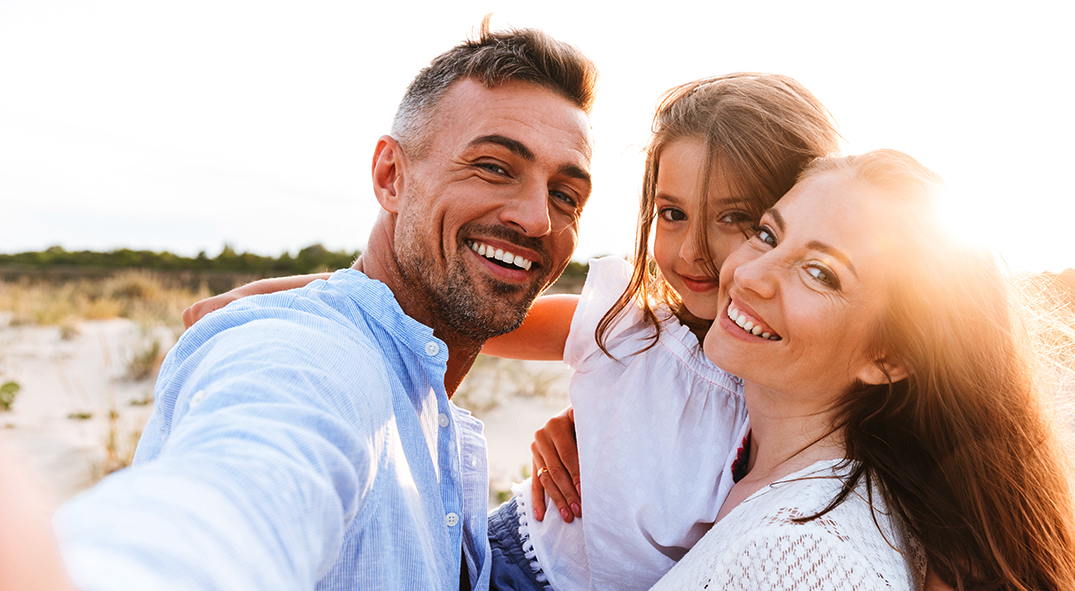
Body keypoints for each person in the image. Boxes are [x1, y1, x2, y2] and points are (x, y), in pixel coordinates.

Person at [184, 73, 841, 591]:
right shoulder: (629, 322)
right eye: (670, 213)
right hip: (513, 563)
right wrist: (268, 296)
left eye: (735, 218)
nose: (692, 252)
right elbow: (442, 310)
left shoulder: (799, 389)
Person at [50, 21, 599, 591]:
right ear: (391, 177)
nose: (538, 218)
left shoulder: (418, 389)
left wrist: (619, 420)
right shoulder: (314, 360)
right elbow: (239, 487)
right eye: (493, 166)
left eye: (566, 195)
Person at [650, 149, 1075, 590]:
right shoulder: (742, 464)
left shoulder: (800, 555)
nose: (751, 274)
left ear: (888, 358)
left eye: (820, 273)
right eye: (768, 235)